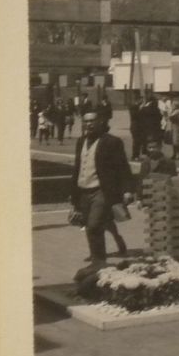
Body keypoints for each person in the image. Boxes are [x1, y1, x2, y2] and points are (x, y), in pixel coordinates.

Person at [70, 109, 133, 267]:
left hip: (101, 191)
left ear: (100, 123)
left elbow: (122, 167)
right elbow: (78, 168)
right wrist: (73, 193)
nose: (88, 124)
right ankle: (97, 259)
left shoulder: (111, 142)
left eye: (92, 121)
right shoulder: (81, 141)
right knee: (89, 226)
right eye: (85, 121)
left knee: (94, 225)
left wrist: (127, 189)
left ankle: (99, 261)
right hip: (83, 190)